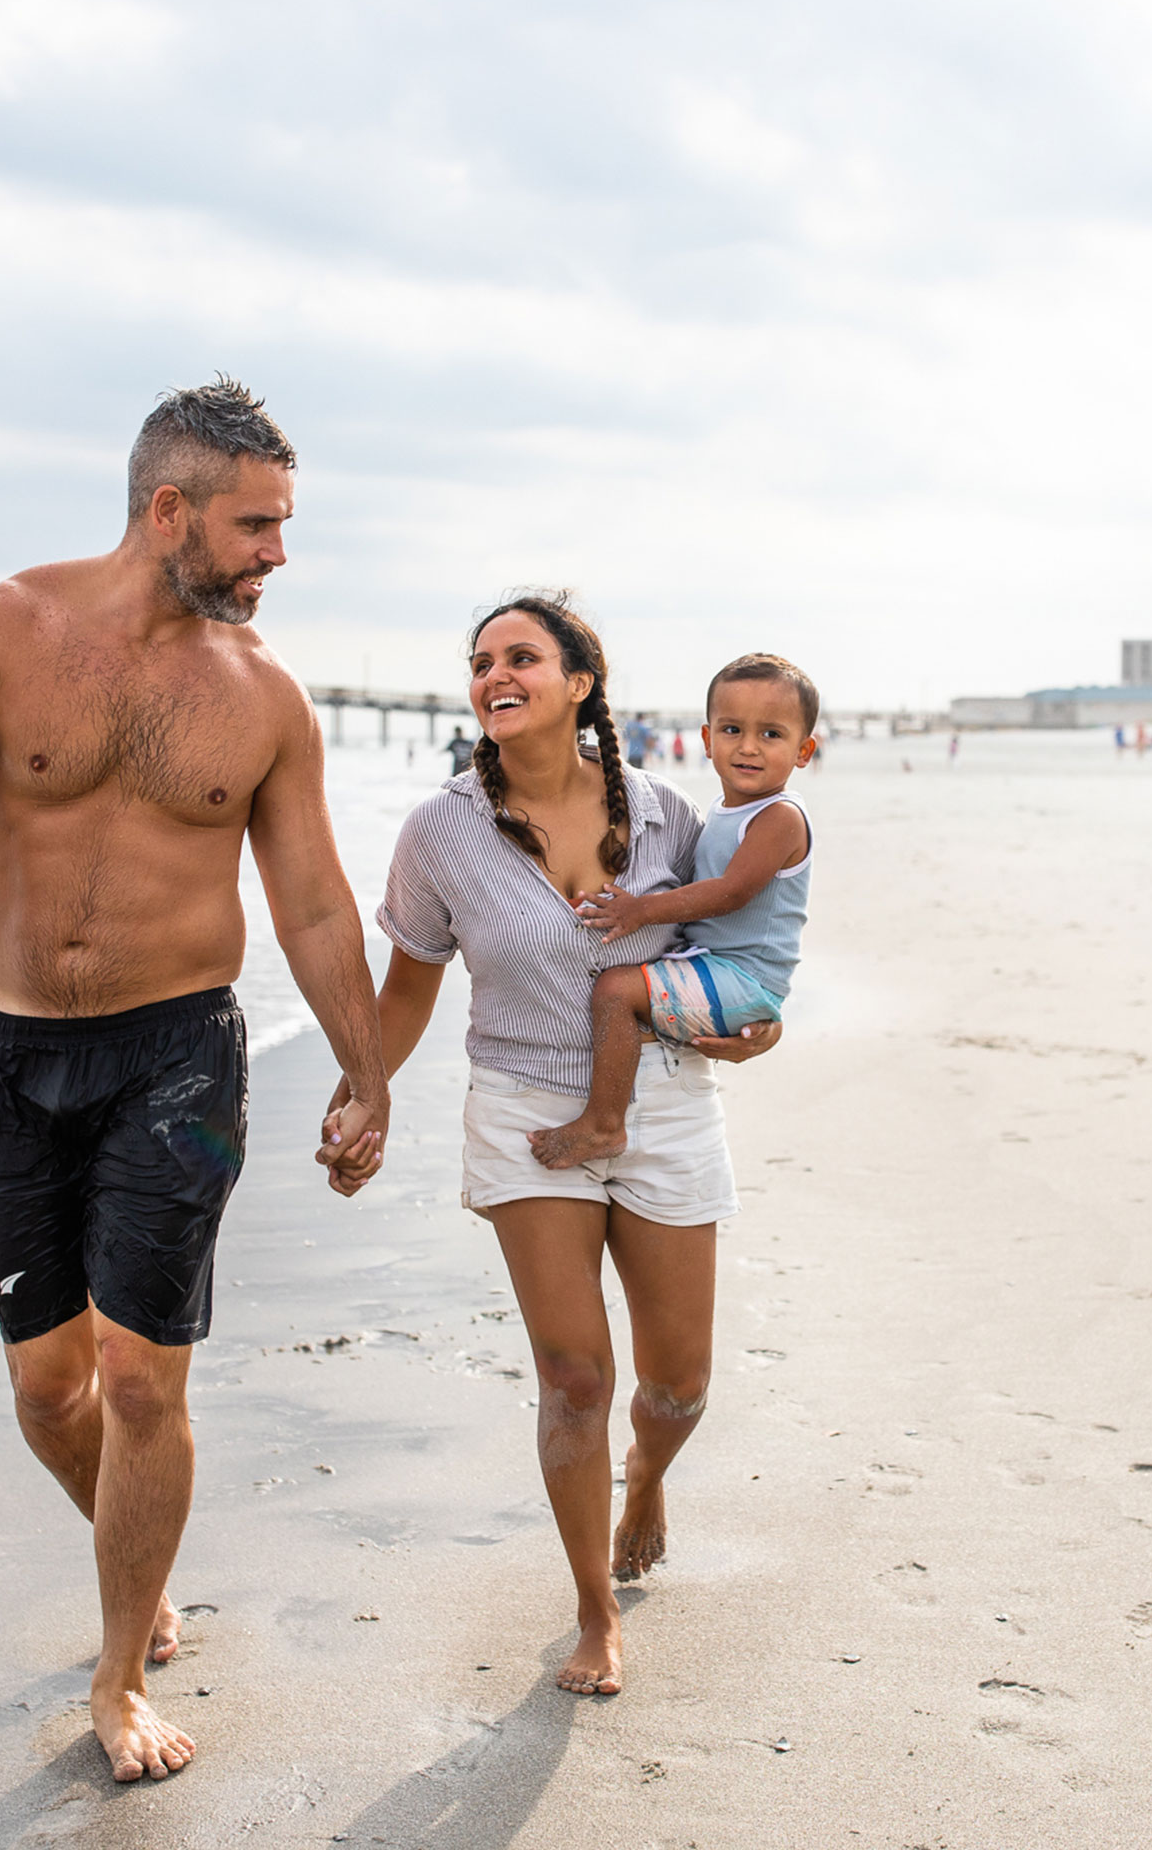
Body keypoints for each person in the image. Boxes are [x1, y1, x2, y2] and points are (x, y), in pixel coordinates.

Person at [0, 378, 391, 1785]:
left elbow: (318, 907)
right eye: (258, 525)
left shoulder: (266, 700)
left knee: (141, 1381)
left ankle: (117, 1671)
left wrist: (367, 1073)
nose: (279, 553)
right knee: (50, 1392)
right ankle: (133, 1559)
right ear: (170, 510)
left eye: (285, 526)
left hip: (179, 1056)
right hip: (20, 1055)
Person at [354, 592, 777, 1698]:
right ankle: (595, 1611)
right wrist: (365, 1091)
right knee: (575, 1377)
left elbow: (733, 970)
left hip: (667, 1106)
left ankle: (648, 1484)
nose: (496, 673)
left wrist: (743, 1036)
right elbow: (407, 990)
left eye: (523, 656)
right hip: (522, 1113)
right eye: (482, 660)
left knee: (678, 1386)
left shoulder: (673, 813)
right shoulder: (439, 832)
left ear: (580, 682)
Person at [529, 654, 814, 1171]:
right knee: (626, 996)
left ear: (804, 751)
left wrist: (642, 910)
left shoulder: (780, 819)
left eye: (771, 735)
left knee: (616, 990)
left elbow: (731, 893)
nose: (748, 746)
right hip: (721, 969)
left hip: (744, 980)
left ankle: (604, 1125)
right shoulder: (722, 812)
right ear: (707, 740)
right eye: (732, 729)